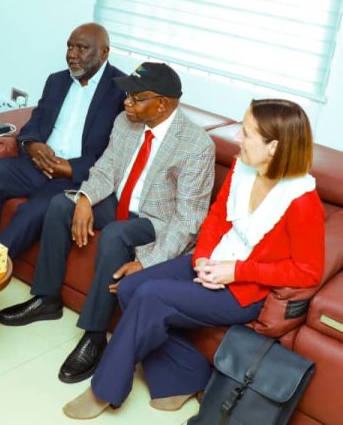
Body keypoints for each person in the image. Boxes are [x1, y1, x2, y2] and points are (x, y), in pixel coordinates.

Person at [63, 98, 325, 419]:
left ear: (274, 146)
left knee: (150, 295)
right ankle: (187, 375)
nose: (237, 138)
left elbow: (307, 272)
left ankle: (104, 390)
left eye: (246, 133)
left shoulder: (302, 200)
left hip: (242, 290)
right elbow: (215, 217)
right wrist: (201, 258)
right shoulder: (243, 168)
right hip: (209, 263)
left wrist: (236, 271)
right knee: (130, 288)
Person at [0, 62, 215, 385]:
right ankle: (47, 299)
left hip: (156, 222)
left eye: (136, 98)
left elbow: (188, 221)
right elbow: (105, 170)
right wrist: (85, 199)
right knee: (62, 205)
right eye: (127, 95)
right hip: (119, 202)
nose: (126, 102)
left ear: (162, 104)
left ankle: (95, 336)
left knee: (115, 235)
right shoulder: (126, 122)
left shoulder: (196, 146)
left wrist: (149, 262)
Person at [0, 23, 126, 258]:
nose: (72, 54)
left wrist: (69, 167)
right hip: (37, 165)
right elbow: (34, 123)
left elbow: (118, 152)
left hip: (74, 177)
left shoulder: (121, 91)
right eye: (69, 47)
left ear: (104, 53)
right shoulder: (57, 81)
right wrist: (33, 146)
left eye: (81, 48)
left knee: (34, 211)